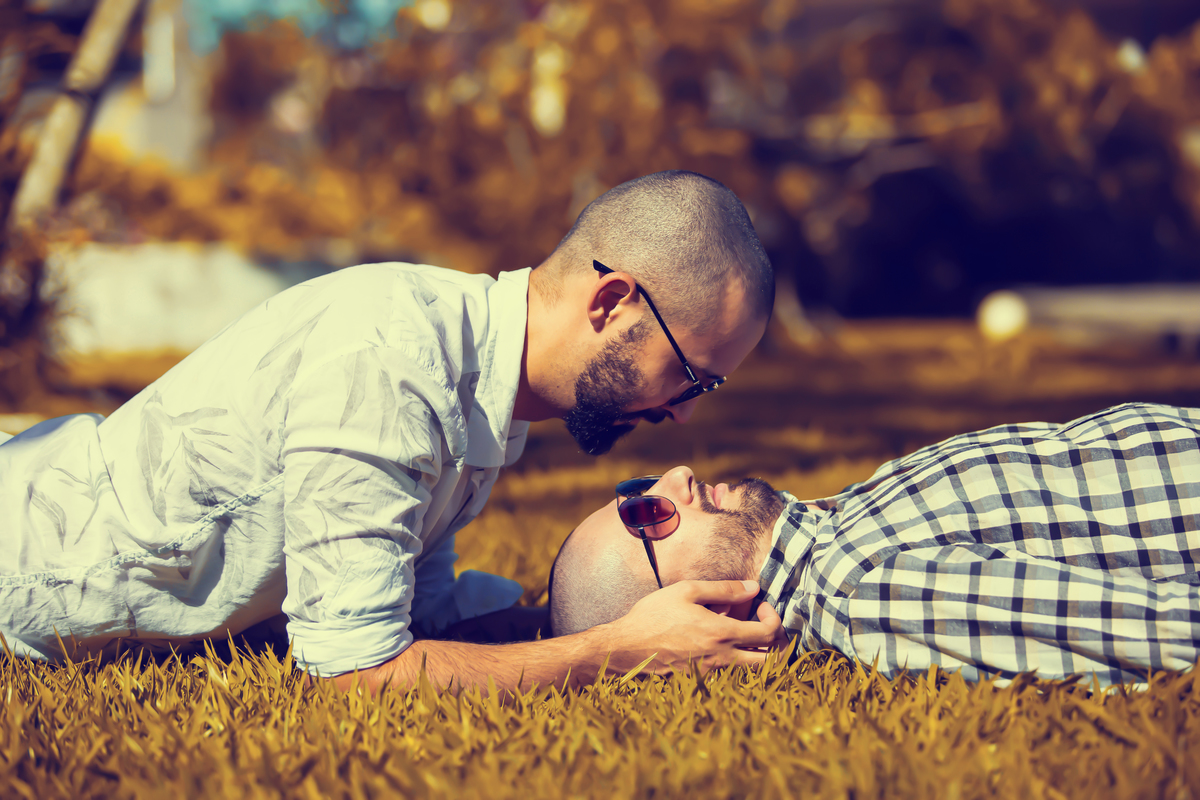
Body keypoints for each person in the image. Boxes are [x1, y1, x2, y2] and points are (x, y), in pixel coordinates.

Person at [1, 170, 785, 691]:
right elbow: (357, 671)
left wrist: (603, 617)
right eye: (691, 372)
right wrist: (618, 650)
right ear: (611, 302)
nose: (685, 411)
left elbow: (417, 621)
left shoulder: (485, 386)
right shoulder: (395, 363)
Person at [549, 403, 1200, 686]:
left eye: (637, 486)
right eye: (647, 512)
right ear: (685, 613)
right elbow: (1166, 632)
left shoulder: (843, 524)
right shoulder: (863, 590)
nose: (677, 475)